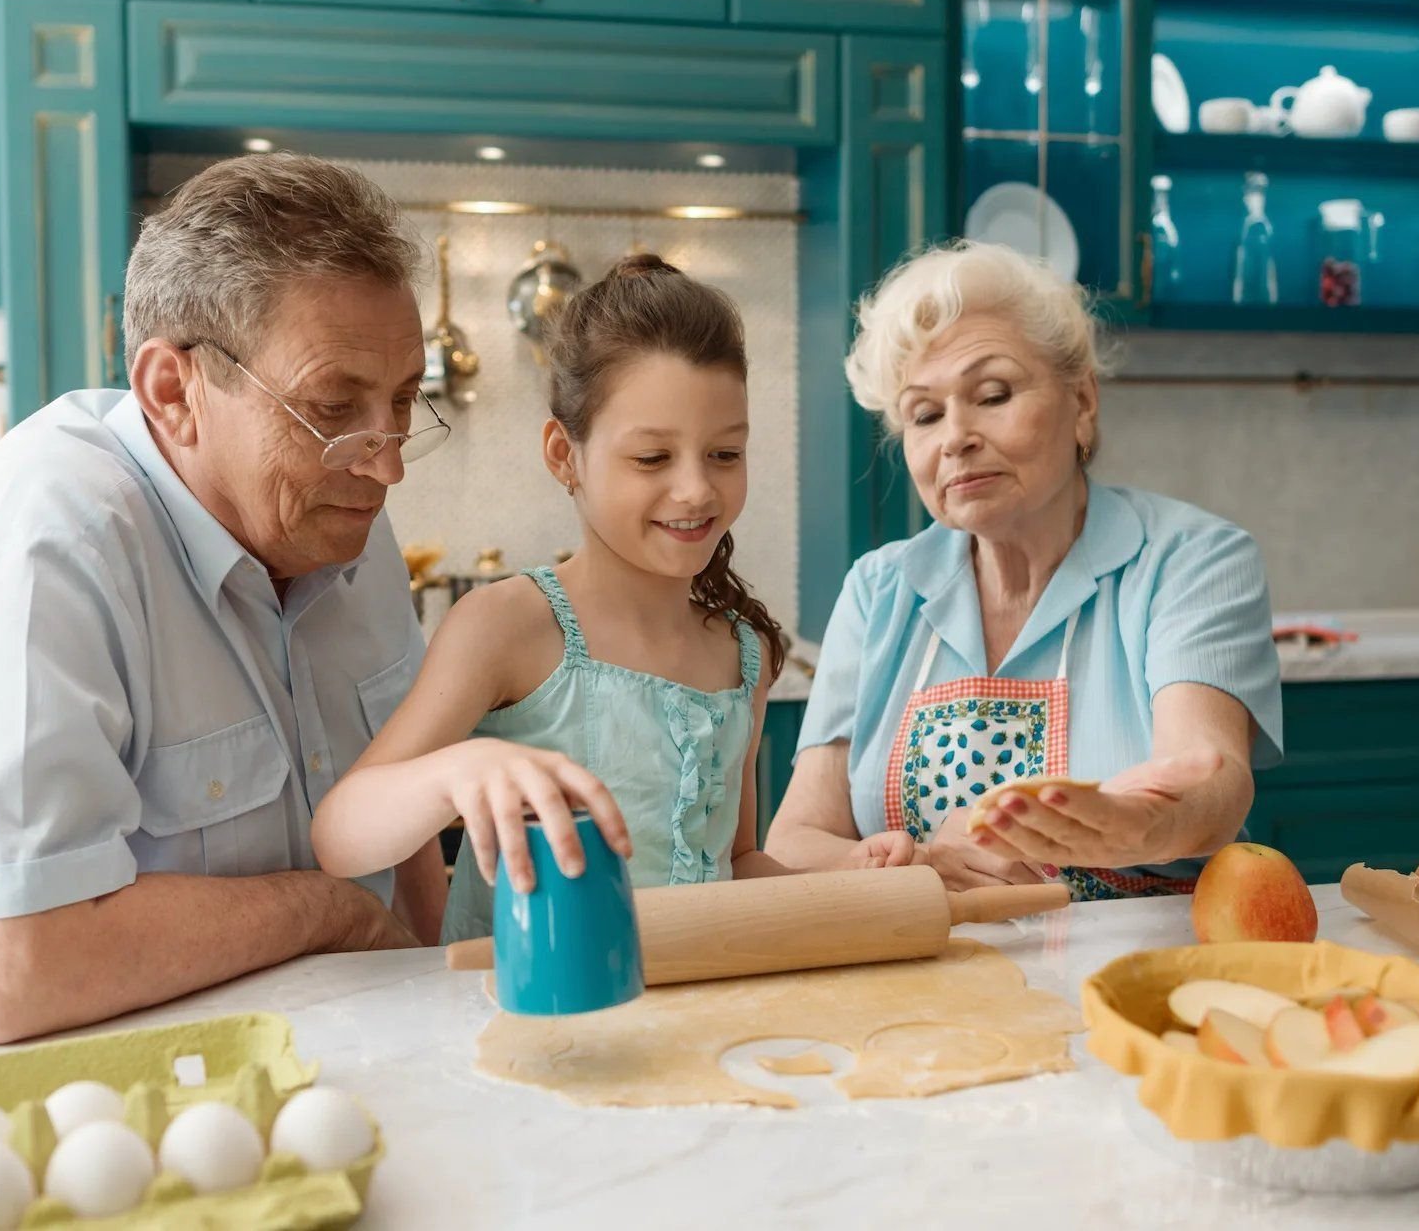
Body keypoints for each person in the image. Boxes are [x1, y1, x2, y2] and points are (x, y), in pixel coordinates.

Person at [0, 155, 449, 1042]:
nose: (388, 462)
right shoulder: (46, 541)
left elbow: (402, 793)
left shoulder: (344, 511)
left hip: (334, 1069)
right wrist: (334, 914)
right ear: (174, 392)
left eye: (405, 402)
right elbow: (10, 968)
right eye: (333, 409)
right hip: (72, 1116)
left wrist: (430, 973)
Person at [314, 256, 894, 943]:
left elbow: (733, 863)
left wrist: (850, 878)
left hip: (691, 1019)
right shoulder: (508, 626)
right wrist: (456, 771)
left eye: (725, 454)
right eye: (652, 459)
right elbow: (340, 834)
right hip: (519, 1020)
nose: (696, 490)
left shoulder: (743, 652)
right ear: (564, 454)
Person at [766, 240, 1283, 899]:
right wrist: (913, 864)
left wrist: (1129, 824)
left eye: (992, 393)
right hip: (929, 976)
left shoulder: (1191, 559)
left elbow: (1213, 786)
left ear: (1083, 403)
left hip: (1135, 971)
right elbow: (796, 843)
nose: (955, 436)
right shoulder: (878, 589)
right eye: (924, 414)